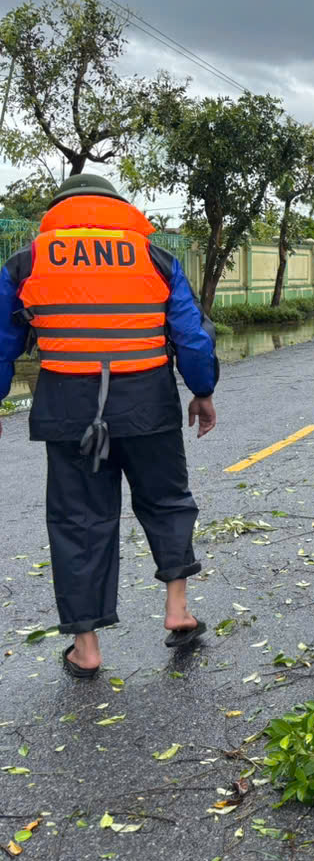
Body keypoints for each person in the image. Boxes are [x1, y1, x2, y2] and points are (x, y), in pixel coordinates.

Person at [0, 173, 219, 678]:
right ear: (117, 207)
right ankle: (178, 609)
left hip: (69, 408)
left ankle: (87, 646)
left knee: (79, 521)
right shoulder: (154, 257)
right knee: (166, 500)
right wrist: (202, 391)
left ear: (60, 210)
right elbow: (190, 333)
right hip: (148, 402)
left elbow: (2, 340)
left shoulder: (28, 261)